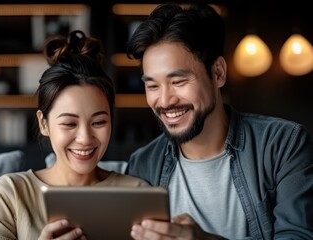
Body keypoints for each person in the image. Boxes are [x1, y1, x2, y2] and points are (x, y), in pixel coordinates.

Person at [125, 3, 313, 240]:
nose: (164, 100)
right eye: (152, 85)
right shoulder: (142, 165)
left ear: (218, 73)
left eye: (178, 81)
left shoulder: (283, 145)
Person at [0, 30, 149, 240]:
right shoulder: (12, 193)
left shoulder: (136, 193)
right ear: (44, 124)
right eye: (69, 123)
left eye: (98, 122)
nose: (85, 138)